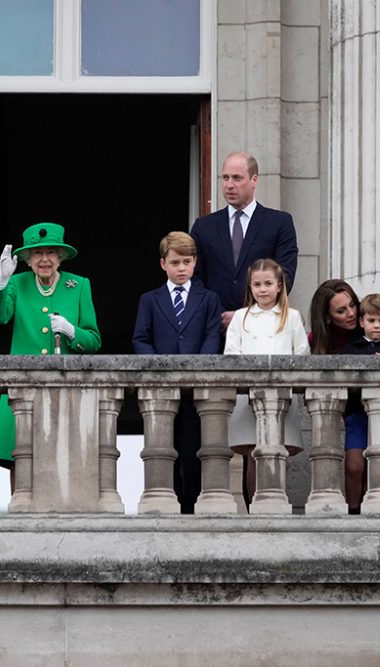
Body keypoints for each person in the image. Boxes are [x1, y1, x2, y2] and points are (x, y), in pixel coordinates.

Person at [0, 222, 101, 475]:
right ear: (27, 258)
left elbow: (93, 341)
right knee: (20, 461)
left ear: (60, 257)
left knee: (62, 466)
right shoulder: (17, 283)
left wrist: (72, 332)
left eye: (51, 252)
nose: (45, 259)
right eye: (37, 253)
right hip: (22, 388)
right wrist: (2, 282)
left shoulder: (79, 285)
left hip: (63, 389)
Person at [133, 231, 223, 514]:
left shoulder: (209, 299)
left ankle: (191, 506)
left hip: (196, 391)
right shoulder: (150, 299)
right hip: (161, 391)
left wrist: (198, 371)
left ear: (195, 262)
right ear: (163, 264)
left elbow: (212, 337)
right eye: (175, 262)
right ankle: (167, 504)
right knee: (162, 450)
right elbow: (141, 338)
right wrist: (159, 370)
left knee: (193, 450)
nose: (181, 268)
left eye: (186, 262)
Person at [308, 279, 380, 513]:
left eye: (352, 305)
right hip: (355, 408)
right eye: (341, 310)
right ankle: (355, 511)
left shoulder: (379, 325)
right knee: (355, 463)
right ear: (327, 317)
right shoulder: (320, 339)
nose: (350, 313)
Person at [224, 258, 309, 510]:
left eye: (268, 283)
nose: (262, 289)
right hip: (247, 395)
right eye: (257, 284)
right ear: (250, 287)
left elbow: (302, 355)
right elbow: (231, 355)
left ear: (280, 286)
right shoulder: (241, 317)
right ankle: (254, 508)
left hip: (282, 396)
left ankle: (275, 504)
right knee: (252, 453)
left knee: (276, 452)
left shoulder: (291, 317)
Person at [191, 151, 298, 329]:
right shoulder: (203, 226)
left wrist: (248, 315)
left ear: (254, 180)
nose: (229, 185)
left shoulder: (279, 223)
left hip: (262, 327)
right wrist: (217, 313)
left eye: (237, 178)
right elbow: (194, 277)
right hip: (214, 327)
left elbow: (284, 275)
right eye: (225, 178)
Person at [339, 293, 380, 513]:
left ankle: (374, 507)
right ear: (361, 322)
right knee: (354, 465)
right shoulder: (351, 348)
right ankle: (353, 508)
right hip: (356, 413)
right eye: (371, 320)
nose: (376, 326)